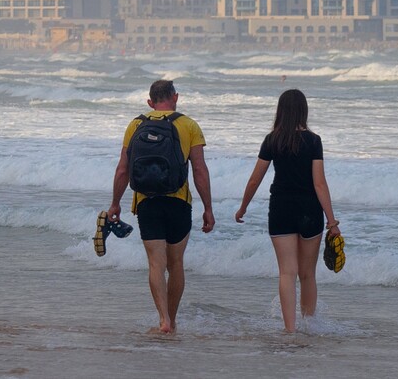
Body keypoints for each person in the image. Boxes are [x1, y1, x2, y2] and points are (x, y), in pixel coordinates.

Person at [107, 79, 214, 334]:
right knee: (175, 263)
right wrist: (208, 208)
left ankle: (163, 319)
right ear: (175, 97)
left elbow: (123, 169)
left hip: (147, 201)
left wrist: (115, 204)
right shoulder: (189, 124)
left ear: (150, 102)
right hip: (178, 202)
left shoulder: (136, 124)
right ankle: (173, 320)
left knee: (156, 263)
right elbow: (199, 170)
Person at [235, 89, 340, 333]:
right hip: (309, 210)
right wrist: (332, 221)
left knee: (286, 273)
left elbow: (255, 180)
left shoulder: (272, 140)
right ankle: (309, 326)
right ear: (304, 111)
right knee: (307, 275)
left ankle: (290, 330)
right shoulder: (314, 141)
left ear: (280, 111)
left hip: (281, 208)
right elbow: (319, 183)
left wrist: (243, 207)